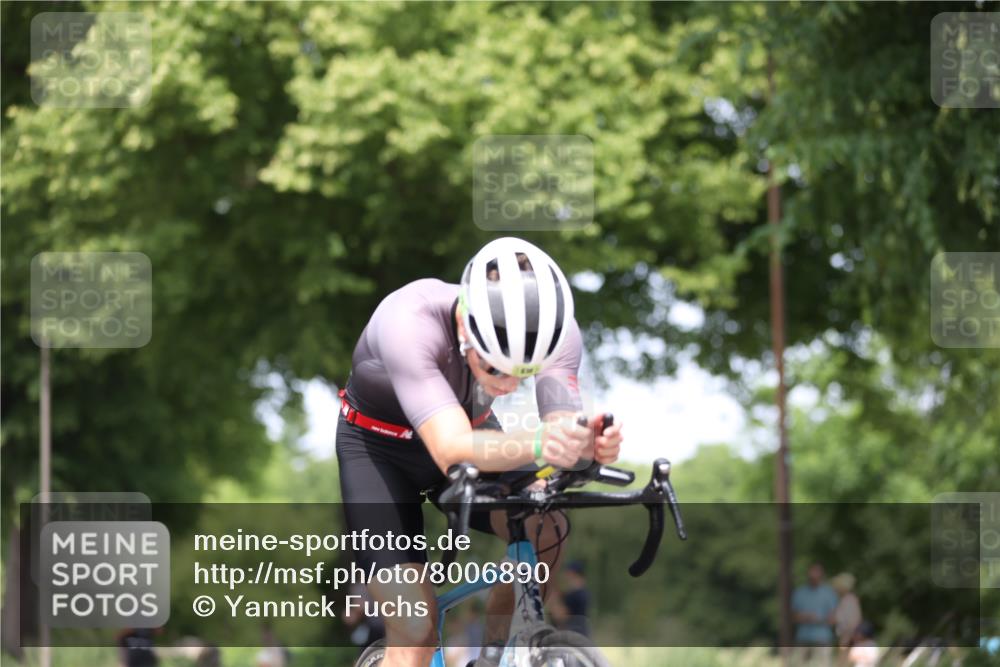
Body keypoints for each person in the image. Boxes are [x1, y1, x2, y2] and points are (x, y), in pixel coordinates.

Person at [335, 237, 624, 667]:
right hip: (379, 453)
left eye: (521, 374)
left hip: (472, 432)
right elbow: (450, 448)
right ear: (468, 328)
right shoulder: (409, 321)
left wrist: (589, 445)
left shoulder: (555, 332)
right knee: (414, 628)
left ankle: (495, 657)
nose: (507, 386)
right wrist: (545, 443)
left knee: (547, 527)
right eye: (494, 368)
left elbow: (561, 427)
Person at [791, 562, 839, 667]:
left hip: (823, 638)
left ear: (821, 575)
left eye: (817, 575)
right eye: (812, 575)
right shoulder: (799, 592)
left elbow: (833, 618)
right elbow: (793, 617)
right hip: (803, 637)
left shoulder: (829, 593)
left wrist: (819, 619)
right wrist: (804, 617)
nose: (814, 577)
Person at [550, 560, 591, 638]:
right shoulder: (580, 593)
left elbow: (560, 617)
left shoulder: (577, 595)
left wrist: (552, 594)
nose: (566, 576)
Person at [831, 572, 862, 656]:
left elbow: (852, 621)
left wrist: (848, 637)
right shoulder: (846, 600)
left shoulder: (849, 600)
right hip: (846, 636)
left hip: (848, 636)